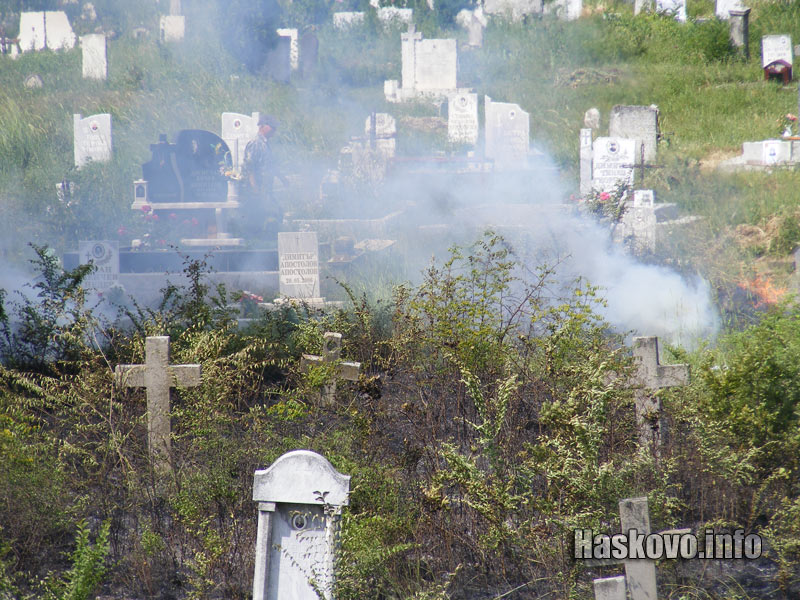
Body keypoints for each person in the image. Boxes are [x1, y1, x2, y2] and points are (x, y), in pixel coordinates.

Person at [240, 114, 286, 238]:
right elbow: (250, 167)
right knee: (256, 218)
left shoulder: (265, 144)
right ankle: (254, 243)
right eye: (272, 127)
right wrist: (254, 188)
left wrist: (283, 179)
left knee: (274, 213)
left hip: (266, 189)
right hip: (256, 190)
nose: (274, 131)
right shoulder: (255, 143)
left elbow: (270, 165)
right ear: (262, 126)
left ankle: (266, 239)